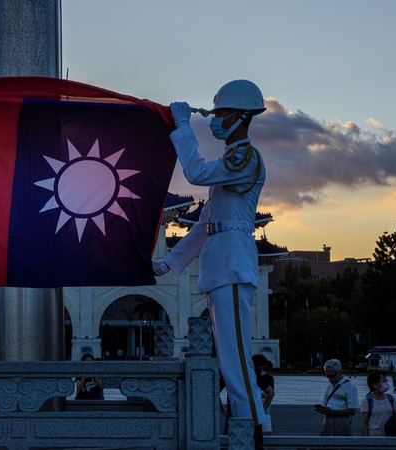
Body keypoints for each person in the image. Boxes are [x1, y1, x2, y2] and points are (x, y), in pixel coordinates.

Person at [152, 80, 267, 449]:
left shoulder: (243, 157)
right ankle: (248, 426)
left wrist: (184, 128)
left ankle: (251, 430)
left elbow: (196, 172)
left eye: (221, 113)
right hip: (222, 264)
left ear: (242, 116)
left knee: (234, 359)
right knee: (229, 357)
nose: (215, 120)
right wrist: (168, 264)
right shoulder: (229, 166)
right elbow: (204, 225)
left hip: (233, 263)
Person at [315, 359, 359, 436]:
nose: (329, 378)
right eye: (327, 375)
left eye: (332, 375)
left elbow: (352, 411)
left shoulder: (349, 386)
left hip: (342, 423)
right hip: (327, 422)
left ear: (340, 372)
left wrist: (332, 412)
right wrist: (323, 410)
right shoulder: (329, 387)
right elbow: (325, 404)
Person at [360, 371, 396, 436]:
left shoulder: (391, 399)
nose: (386, 383)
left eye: (386, 380)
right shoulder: (367, 400)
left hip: (390, 435)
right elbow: (364, 423)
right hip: (374, 436)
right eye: (383, 381)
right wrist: (367, 439)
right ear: (374, 385)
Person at [252, 354, 275, 436]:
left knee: (266, 432)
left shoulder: (269, 377)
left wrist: (255, 395)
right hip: (256, 404)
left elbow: (269, 393)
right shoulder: (252, 376)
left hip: (264, 405)